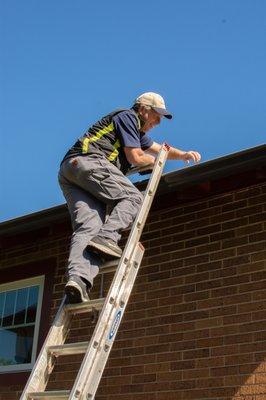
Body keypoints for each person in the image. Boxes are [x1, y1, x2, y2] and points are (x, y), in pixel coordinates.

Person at [58, 92, 201, 303]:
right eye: (156, 115)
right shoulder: (127, 117)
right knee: (134, 198)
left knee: (88, 227)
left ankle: (78, 280)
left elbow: (159, 148)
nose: (158, 121)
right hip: (90, 162)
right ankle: (107, 238)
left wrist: (182, 155)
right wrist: (153, 164)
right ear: (143, 109)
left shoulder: (136, 132)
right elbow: (136, 156)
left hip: (71, 171)